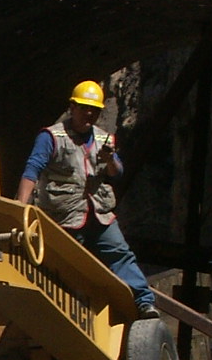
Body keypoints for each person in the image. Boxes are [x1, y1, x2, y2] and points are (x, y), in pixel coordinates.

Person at [15, 80, 157, 317]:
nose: (89, 114)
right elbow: (33, 169)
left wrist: (110, 159)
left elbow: (117, 173)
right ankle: (65, 311)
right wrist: (20, 207)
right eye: (83, 108)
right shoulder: (51, 136)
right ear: (72, 107)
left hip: (99, 214)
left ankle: (143, 301)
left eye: (94, 110)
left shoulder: (104, 139)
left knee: (120, 254)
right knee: (65, 263)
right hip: (65, 216)